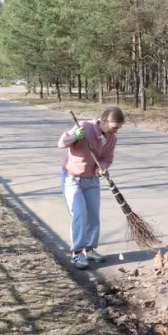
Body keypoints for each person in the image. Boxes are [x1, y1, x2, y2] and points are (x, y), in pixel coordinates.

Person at [58, 107, 124, 269]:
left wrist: (101, 167)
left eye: (118, 128)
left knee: (93, 216)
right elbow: (61, 143)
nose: (116, 131)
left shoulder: (111, 139)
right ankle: (77, 253)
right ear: (103, 121)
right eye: (114, 127)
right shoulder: (84, 127)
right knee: (79, 214)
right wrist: (74, 136)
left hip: (92, 180)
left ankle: (90, 249)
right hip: (72, 178)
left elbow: (107, 159)